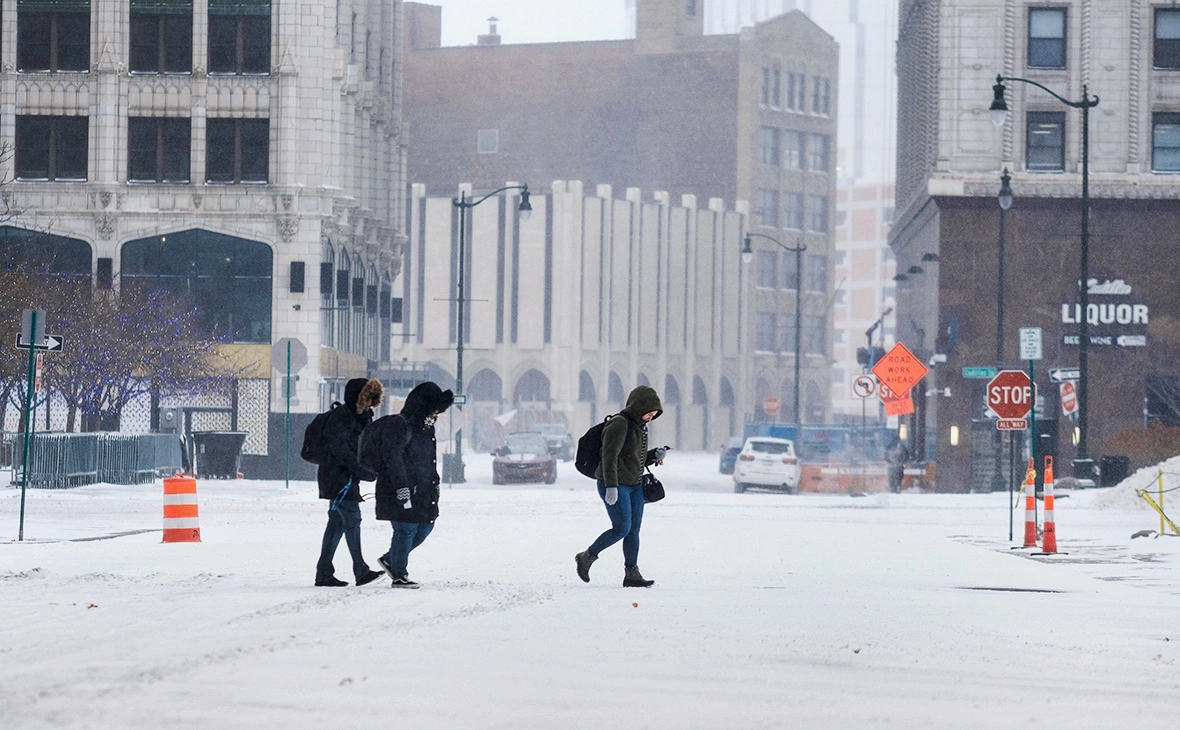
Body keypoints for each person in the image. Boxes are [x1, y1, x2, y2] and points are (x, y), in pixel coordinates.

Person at [363, 381, 454, 588]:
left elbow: (429, 460)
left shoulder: (426, 429)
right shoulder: (400, 425)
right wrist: (401, 487)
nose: (435, 414)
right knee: (405, 529)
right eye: (433, 409)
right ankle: (399, 575)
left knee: (426, 526)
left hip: (422, 488)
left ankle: (391, 560)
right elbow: (393, 458)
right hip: (398, 488)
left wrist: (434, 482)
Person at [575, 385, 667, 588]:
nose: (651, 417)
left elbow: (633, 459)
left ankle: (632, 573)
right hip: (615, 485)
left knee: (634, 530)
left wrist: (654, 455)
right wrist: (611, 485)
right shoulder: (619, 423)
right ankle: (586, 556)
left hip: (635, 485)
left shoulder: (640, 426)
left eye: (654, 415)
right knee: (621, 529)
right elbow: (609, 456)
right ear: (638, 407)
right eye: (649, 413)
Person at [315, 377, 385, 587]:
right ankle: (361, 571)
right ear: (359, 397)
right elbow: (341, 450)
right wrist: (361, 470)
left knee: (336, 524)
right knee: (352, 519)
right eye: (368, 398)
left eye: (374, 399)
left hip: (342, 476)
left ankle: (324, 573)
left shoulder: (358, 416)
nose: (371, 403)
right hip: (338, 477)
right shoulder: (343, 416)